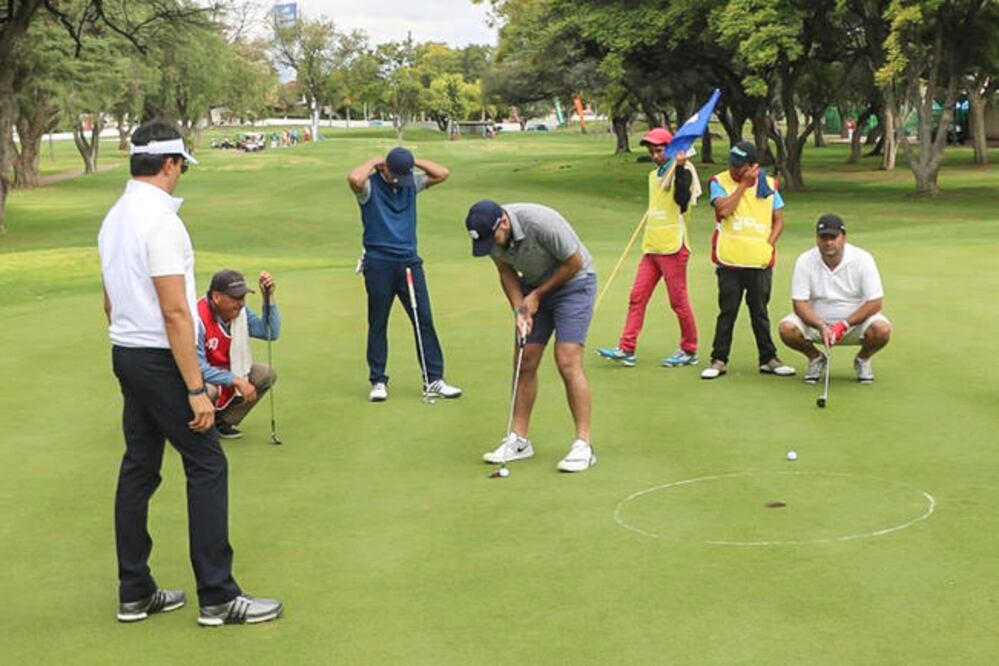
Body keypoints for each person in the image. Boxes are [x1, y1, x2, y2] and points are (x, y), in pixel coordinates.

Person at [98, 121, 282, 626]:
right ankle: (219, 597)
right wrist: (196, 389)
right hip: (160, 358)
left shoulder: (114, 217)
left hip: (127, 351)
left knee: (139, 466)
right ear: (170, 164)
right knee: (207, 464)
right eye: (181, 165)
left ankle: (134, 591)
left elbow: (110, 298)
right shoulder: (161, 222)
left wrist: (134, 346)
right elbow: (177, 312)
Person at [464, 200, 598, 473]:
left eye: (494, 239)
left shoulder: (542, 222)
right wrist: (519, 310)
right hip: (534, 286)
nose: (493, 246)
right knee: (524, 360)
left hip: (575, 283)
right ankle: (520, 440)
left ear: (503, 222)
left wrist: (536, 296)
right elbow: (505, 271)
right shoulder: (492, 237)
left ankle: (584, 444)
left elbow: (574, 263)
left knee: (567, 360)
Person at [347, 147, 462, 402]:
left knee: (424, 319)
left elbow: (443, 173)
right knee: (378, 321)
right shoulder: (369, 188)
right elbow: (354, 178)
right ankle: (378, 380)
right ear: (384, 169)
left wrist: (411, 161)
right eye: (397, 173)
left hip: (410, 261)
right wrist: (375, 161)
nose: (402, 180)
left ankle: (433, 379)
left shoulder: (410, 182)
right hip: (378, 262)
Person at [597, 127, 701, 368]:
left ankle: (689, 350)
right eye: (652, 151)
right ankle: (626, 348)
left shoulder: (682, 170)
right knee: (637, 297)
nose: (655, 156)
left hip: (673, 247)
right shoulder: (653, 177)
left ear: (672, 149)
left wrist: (682, 167)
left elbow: (682, 200)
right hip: (651, 246)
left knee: (678, 301)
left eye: (660, 151)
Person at [701, 141, 796, 380]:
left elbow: (779, 220)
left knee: (760, 312)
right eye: (732, 164)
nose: (734, 169)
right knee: (728, 312)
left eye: (740, 166)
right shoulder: (719, 182)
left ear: (753, 166)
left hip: (759, 261)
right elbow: (723, 211)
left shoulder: (769, 184)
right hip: (730, 261)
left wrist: (768, 244)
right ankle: (719, 359)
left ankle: (768, 359)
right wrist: (743, 185)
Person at [778, 214, 891, 383]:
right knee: (786, 329)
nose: (828, 242)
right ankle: (816, 358)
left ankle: (863, 359)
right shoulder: (805, 260)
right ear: (817, 239)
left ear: (843, 238)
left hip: (854, 325)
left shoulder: (863, 258)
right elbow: (799, 303)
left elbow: (875, 302)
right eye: (823, 237)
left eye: (833, 237)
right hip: (817, 324)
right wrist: (822, 326)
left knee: (882, 330)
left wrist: (843, 325)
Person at [196, 269, 281, 439]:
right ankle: (195, 426)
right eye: (235, 298)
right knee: (209, 391)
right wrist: (236, 381)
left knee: (266, 374)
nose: (241, 303)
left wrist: (269, 297)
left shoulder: (240, 312)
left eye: (242, 297)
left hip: (226, 370)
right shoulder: (196, 317)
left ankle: (222, 422)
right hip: (192, 379)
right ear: (217, 297)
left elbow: (270, 332)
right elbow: (195, 367)